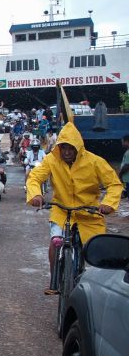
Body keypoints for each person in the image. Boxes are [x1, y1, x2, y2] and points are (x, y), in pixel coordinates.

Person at [27, 123, 122, 293]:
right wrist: (36, 194)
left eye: (71, 148)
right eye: (63, 148)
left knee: (98, 251)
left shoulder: (95, 161)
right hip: (61, 210)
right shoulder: (51, 160)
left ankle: (98, 289)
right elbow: (35, 177)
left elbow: (114, 184)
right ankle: (54, 279)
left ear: (78, 147)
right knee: (56, 242)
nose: (67, 152)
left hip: (90, 212)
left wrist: (108, 203)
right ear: (59, 148)